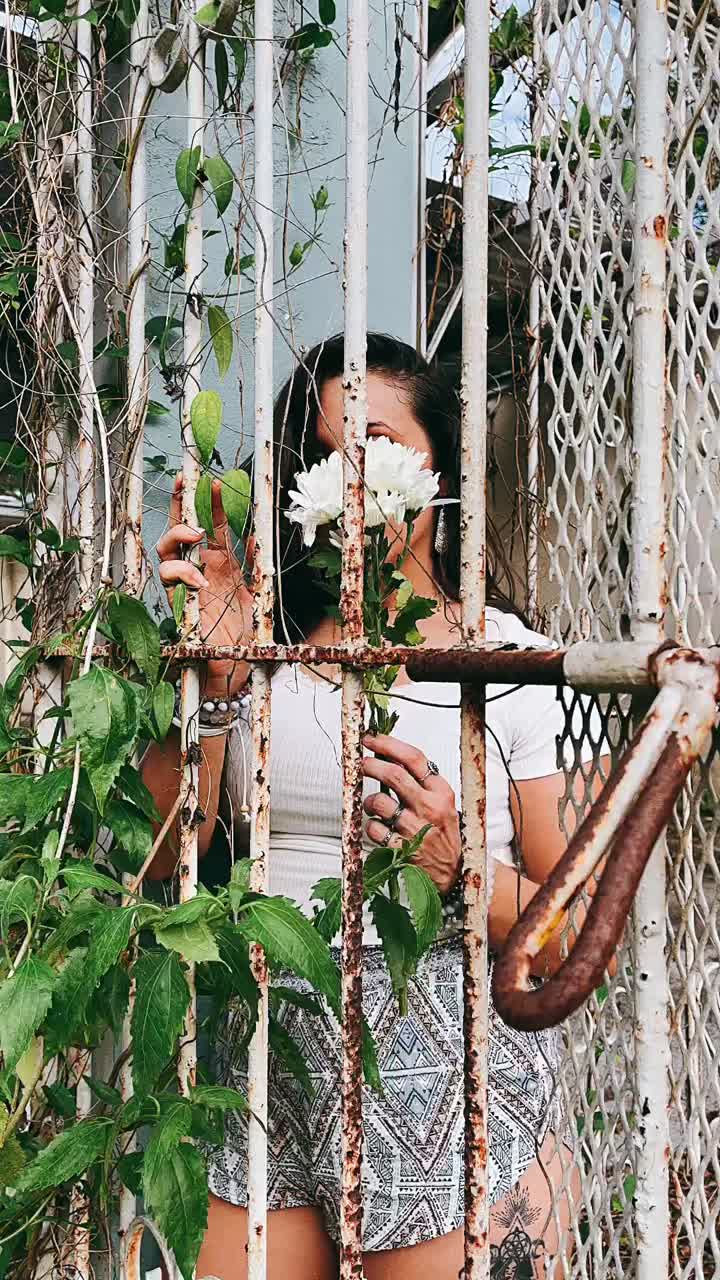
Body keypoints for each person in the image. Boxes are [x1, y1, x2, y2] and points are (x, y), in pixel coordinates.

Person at [145, 334, 603, 1280]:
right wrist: (220, 675)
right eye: (320, 455)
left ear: (438, 471)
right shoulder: (267, 653)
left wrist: (460, 864)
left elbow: (572, 935)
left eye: (379, 446)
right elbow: (162, 861)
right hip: (269, 1058)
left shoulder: (507, 663)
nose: (347, 478)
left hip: (447, 1064)